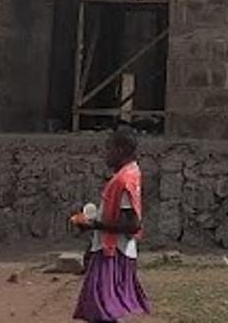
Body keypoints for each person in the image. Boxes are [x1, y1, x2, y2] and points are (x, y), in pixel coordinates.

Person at [71, 128, 151, 322]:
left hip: (114, 253)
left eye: (109, 149)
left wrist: (93, 224)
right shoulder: (130, 174)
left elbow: (132, 224)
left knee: (101, 312)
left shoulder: (124, 180)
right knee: (101, 311)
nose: (106, 154)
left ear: (121, 150)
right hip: (111, 250)